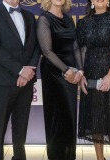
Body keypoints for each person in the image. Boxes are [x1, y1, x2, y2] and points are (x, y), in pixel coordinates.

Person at [0, 0, 41, 159]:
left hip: (27, 82)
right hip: (3, 82)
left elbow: (37, 46)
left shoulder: (29, 16)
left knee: (21, 127)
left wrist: (29, 70)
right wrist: (20, 70)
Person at [76, 0, 110, 159]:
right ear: (91, 1)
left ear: (108, 1)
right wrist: (81, 75)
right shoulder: (83, 23)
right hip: (90, 76)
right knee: (95, 119)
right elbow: (80, 50)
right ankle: (100, 158)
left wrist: (109, 77)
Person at [36, 0, 83, 159]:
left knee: (69, 118)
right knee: (57, 120)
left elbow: (75, 46)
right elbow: (47, 51)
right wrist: (66, 70)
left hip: (70, 75)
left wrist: (81, 70)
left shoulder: (69, 19)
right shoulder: (44, 19)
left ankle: (70, 156)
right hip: (54, 74)